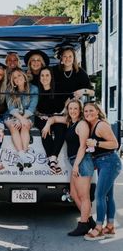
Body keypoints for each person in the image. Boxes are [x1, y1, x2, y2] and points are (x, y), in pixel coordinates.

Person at [42, 99, 96, 236]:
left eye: (75, 109)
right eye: (70, 108)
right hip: (76, 162)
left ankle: (83, 224)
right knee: (73, 194)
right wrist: (48, 124)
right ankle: (89, 221)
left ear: (80, 110)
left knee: (84, 196)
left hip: (82, 162)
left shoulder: (82, 124)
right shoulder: (70, 122)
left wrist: (77, 165)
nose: (73, 111)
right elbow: (54, 118)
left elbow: (83, 146)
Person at [83, 102, 122, 241]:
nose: (88, 113)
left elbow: (115, 144)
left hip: (110, 162)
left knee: (99, 195)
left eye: (91, 110)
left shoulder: (101, 125)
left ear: (98, 111)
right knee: (107, 196)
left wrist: (96, 143)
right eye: (86, 111)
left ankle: (99, 228)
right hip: (103, 163)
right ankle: (110, 226)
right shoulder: (90, 125)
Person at [35, 67, 66, 173]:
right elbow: (32, 106)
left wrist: (60, 114)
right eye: (42, 75)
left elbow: (67, 102)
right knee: (45, 130)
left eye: (47, 75)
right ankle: (52, 160)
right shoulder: (36, 90)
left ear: (51, 77)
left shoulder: (59, 89)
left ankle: (53, 158)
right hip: (41, 117)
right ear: (39, 78)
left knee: (61, 129)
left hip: (57, 116)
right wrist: (39, 115)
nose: (44, 78)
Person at [4, 68, 38, 167]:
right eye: (14, 77)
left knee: (25, 125)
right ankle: (23, 155)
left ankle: (23, 155)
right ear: (13, 81)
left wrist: (22, 119)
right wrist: (20, 118)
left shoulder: (34, 88)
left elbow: (32, 107)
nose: (17, 78)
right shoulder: (9, 90)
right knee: (13, 126)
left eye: (19, 75)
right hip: (12, 115)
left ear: (24, 76)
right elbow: (11, 108)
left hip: (28, 114)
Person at [52, 43, 95, 112]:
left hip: (73, 110)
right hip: (55, 108)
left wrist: (82, 91)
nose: (67, 59)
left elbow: (92, 92)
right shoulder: (54, 71)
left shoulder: (80, 72)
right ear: (61, 58)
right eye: (65, 56)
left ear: (74, 58)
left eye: (70, 56)